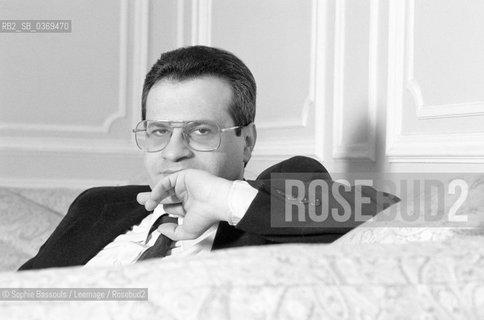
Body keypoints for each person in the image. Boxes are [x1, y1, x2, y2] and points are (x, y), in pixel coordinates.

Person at [19, 46, 398, 270]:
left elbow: (392, 217)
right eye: (158, 131)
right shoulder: (98, 205)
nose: (173, 152)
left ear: (247, 142)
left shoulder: (280, 192)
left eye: (201, 131)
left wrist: (222, 198)